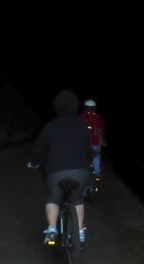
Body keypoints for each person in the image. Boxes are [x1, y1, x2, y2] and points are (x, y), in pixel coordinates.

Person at [29, 89, 94, 245]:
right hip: (80, 172)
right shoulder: (82, 126)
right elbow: (90, 152)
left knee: (53, 198)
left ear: (56, 106)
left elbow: (38, 151)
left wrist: (34, 162)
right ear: (75, 106)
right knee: (77, 199)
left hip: (55, 173)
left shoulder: (50, 127)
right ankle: (79, 232)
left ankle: (52, 229)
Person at [79, 98, 105, 181]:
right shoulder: (99, 118)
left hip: (84, 144)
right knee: (96, 159)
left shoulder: (81, 117)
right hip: (94, 144)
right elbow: (101, 131)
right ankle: (97, 174)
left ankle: (81, 174)